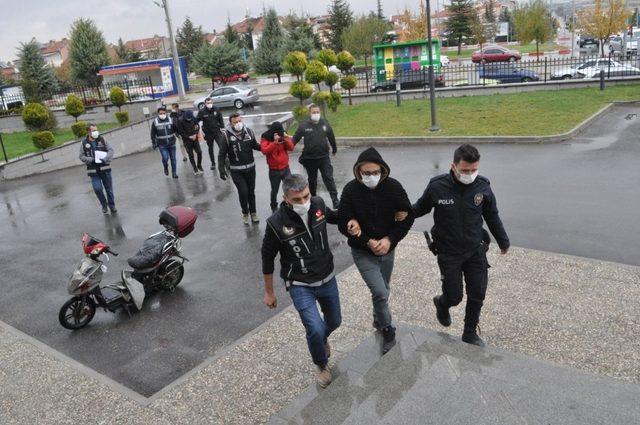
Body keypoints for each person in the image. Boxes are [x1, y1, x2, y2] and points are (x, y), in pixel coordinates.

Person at [413, 144, 510, 347]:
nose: (470, 174)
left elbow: (491, 215)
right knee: (455, 296)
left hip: (475, 249)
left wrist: (503, 240)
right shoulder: (437, 186)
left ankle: (469, 332)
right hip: (448, 252)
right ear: (453, 166)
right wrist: (399, 214)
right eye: (465, 170)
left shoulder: (483, 187)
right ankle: (442, 302)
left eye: (474, 170)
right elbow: (419, 208)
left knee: (477, 293)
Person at [261, 174, 342, 388]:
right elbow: (267, 257)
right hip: (299, 283)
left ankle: (320, 341)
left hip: (327, 276)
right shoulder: (276, 223)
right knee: (314, 328)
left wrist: (351, 219)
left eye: (306, 196)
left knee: (334, 321)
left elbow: (334, 216)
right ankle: (321, 363)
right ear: (286, 198)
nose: (304, 202)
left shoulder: (318, 204)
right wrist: (269, 292)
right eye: (297, 200)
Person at [337, 147, 414, 354]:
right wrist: (365, 239)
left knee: (383, 289)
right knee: (380, 291)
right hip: (363, 251)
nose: (371, 177)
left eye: (375, 172)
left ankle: (378, 317)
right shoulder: (351, 190)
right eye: (366, 173)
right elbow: (343, 221)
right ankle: (388, 329)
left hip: (388, 250)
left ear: (382, 170)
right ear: (358, 172)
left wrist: (390, 239)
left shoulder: (393, 187)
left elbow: (408, 217)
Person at [292, 104, 340, 209]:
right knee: (312, 180)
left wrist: (334, 148)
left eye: (317, 112)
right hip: (310, 159)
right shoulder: (304, 125)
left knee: (328, 178)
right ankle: (313, 198)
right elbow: (295, 139)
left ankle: (335, 200)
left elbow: (331, 136)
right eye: (314, 112)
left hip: (324, 157)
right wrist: (287, 145)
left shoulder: (325, 123)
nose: (316, 114)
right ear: (310, 113)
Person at [219, 112, 261, 225]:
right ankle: (245, 213)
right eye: (235, 122)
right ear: (231, 123)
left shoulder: (249, 132)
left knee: (251, 192)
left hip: (251, 169)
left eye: (239, 121)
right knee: (243, 192)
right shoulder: (226, 136)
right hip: (237, 171)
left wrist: (267, 147)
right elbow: (221, 154)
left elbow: (256, 146)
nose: (238, 123)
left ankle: (253, 213)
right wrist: (221, 169)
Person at [79, 123, 116, 214]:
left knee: (109, 189)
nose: (96, 132)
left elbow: (111, 150)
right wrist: (91, 160)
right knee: (97, 189)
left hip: (105, 168)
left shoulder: (102, 139)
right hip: (93, 171)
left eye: (96, 130)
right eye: (93, 130)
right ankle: (104, 205)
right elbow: (81, 156)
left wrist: (105, 158)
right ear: (88, 131)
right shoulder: (84, 143)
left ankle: (112, 206)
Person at [260, 121, 294, 212]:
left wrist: (285, 138)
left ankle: (290, 204)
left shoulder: (283, 135)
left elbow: (291, 147)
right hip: (274, 170)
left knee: (289, 188)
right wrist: (274, 142)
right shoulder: (265, 136)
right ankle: (274, 206)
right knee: (274, 189)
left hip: (285, 168)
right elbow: (264, 150)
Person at [150, 106, 179, 178]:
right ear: (158, 114)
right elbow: (152, 133)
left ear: (166, 113)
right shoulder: (155, 122)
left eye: (164, 113)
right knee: (165, 158)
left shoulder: (170, 120)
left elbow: (175, 129)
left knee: (173, 159)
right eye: (160, 113)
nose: (162, 114)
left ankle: (174, 173)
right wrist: (153, 143)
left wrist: (178, 134)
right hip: (162, 145)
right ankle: (165, 167)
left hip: (172, 143)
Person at [196, 97, 224, 170]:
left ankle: (223, 161)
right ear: (205, 104)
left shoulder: (216, 109)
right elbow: (197, 120)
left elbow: (220, 119)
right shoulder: (202, 111)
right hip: (208, 133)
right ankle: (213, 163)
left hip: (217, 132)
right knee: (210, 149)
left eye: (211, 103)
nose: (209, 104)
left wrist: (222, 127)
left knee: (222, 147)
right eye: (208, 103)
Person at [177, 110, 204, 175]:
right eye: (188, 119)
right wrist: (189, 137)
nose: (189, 120)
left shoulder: (193, 118)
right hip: (187, 140)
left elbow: (197, 126)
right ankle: (195, 168)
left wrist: (195, 134)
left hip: (195, 138)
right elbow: (181, 132)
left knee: (199, 152)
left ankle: (199, 165)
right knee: (191, 155)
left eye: (190, 118)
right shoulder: (180, 121)